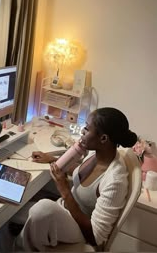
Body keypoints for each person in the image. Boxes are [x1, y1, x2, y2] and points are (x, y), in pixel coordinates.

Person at [15, 107, 138, 251]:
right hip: (64, 209)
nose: (82, 132)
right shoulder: (97, 154)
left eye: (86, 128)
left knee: (41, 209)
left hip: (83, 231)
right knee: (17, 210)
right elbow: (82, 174)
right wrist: (53, 159)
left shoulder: (115, 181)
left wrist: (64, 190)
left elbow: (96, 237)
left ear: (103, 138)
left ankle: (22, 247)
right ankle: (23, 243)